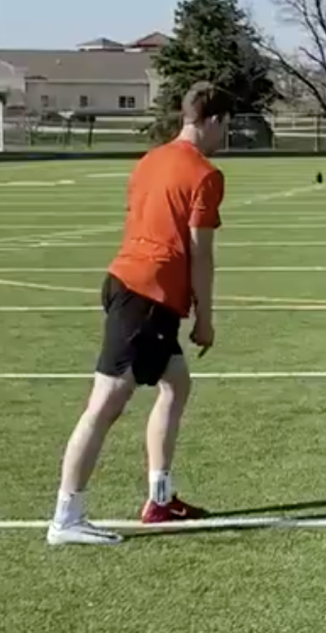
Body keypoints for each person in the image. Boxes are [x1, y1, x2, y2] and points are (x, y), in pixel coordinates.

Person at [46, 82, 230, 546]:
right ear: (211, 120)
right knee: (105, 402)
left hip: (129, 285)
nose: (225, 136)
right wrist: (204, 317)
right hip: (146, 297)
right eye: (225, 126)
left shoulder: (149, 160)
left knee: (175, 381)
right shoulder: (205, 175)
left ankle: (160, 498)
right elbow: (199, 254)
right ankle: (66, 517)